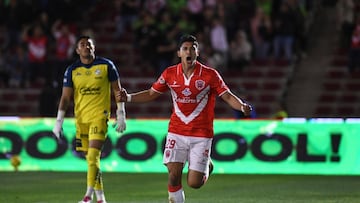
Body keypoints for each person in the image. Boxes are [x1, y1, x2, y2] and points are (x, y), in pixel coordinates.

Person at [117, 34, 252, 203]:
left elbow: (227, 96)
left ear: (198, 52)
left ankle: (207, 165)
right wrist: (128, 98)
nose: (189, 51)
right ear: (179, 53)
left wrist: (241, 106)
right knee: (173, 175)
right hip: (177, 131)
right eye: (185, 48)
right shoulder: (170, 74)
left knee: (194, 183)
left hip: (201, 134)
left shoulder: (210, 75)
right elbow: (151, 94)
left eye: (192, 48)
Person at [52, 35, 126, 203]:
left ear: (94, 47)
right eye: (82, 45)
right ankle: (100, 198)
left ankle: (87, 197)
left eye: (89, 44)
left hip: (99, 117)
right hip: (81, 120)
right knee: (91, 160)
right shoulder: (72, 70)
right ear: (77, 50)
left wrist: (121, 114)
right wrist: (59, 122)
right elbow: (65, 98)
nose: (86, 47)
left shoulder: (106, 66)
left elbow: (117, 90)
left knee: (93, 156)